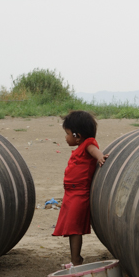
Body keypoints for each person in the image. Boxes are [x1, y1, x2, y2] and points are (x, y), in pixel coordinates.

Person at [53, 111, 108, 267]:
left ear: (77, 135)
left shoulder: (88, 144)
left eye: (68, 133)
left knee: (75, 228)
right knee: (71, 228)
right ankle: (74, 258)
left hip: (79, 194)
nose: (66, 137)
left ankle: (76, 259)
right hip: (70, 194)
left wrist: (100, 157)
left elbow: (94, 150)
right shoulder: (80, 146)